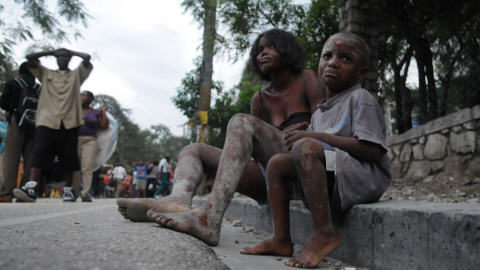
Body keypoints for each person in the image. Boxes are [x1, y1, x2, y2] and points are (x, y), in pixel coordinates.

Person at [118, 29, 325, 246]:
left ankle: (210, 218)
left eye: (270, 47)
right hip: (270, 179)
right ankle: (177, 200)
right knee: (193, 149)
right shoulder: (260, 99)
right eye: (259, 50)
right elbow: (256, 154)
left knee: (240, 121)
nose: (263, 53)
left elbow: (328, 128)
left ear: (287, 49)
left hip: (304, 170)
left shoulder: (308, 79)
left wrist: (308, 131)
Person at [240, 32, 391, 268]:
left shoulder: (361, 98)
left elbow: (372, 150)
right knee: (278, 162)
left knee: (306, 146)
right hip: (337, 173)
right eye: (327, 56)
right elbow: (315, 149)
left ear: (361, 73)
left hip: (363, 178)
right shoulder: (321, 112)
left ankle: (324, 234)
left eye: (345, 59)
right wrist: (304, 134)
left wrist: (314, 136)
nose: (332, 62)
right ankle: (281, 238)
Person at [13, 48, 93, 202]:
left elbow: (87, 57)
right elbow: (29, 58)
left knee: (68, 155)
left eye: (65, 57)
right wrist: (51, 52)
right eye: (59, 57)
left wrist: (70, 52)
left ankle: (68, 190)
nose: (62, 59)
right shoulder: (46, 73)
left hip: (69, 121)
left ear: (69, 59)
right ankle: (31, 186)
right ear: (55, 58)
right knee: (40, 152)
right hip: (47, 119)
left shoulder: (76, 75)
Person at [0, 62, 41, 202]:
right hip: (35, 125)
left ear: (21, 71)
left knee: (11, 159)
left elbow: (4, 103)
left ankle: (7, 193)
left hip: (16, 123)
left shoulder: (14, 83)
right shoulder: (39, 88)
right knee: (30, 160)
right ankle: (24, 190)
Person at [72, 90, 108, 202]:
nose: (81, 96)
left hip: (90, 140)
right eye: (81, 94)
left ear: (91, 99)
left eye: (84, 95)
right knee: (74, 167)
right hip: (74, 139)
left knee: (87, 167)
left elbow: (103, 125)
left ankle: (85, 193)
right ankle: (72, 192)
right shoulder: (74, 110)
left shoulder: (95, 112)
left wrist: (103, 112)